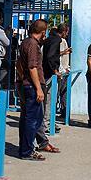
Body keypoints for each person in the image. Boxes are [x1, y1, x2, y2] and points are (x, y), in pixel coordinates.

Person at [16, 19, 48, 161]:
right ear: (43, 32)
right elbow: (32, 67)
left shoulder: (25, 42)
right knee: (33, 120)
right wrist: (38, 88)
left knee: (26, 118)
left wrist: (21, 78)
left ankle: (25, 148)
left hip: (25, 84)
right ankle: (27, 151)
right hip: (32, 86)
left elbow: (18, 64)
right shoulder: (33, 45)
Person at [35, 25, 67, 153]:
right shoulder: (56, 40)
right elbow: (50, 56)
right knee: (49, 100)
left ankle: (45, 124)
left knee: (47, 101)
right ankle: (46, 124)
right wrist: (55, 70)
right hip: (49, 75)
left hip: (45, 73)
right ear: (64, 32)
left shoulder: (48, 40)